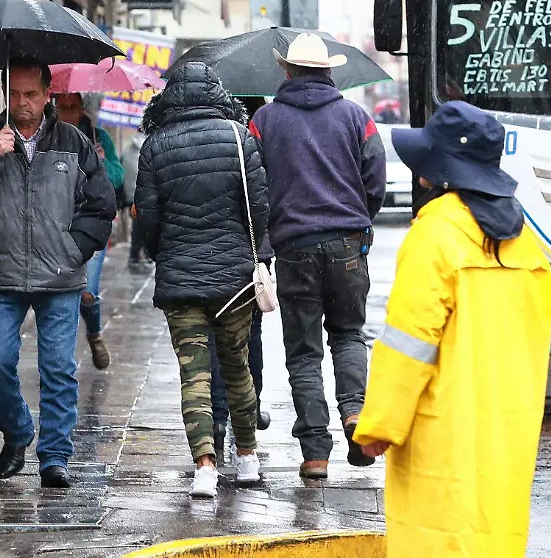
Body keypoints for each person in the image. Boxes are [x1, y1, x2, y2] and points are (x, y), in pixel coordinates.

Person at [353, 101, 551, 556]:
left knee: (437, 536)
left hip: (442, 429)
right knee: (494, 534)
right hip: (507, 429)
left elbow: (409, 342)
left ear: (440, 170)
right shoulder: (525, 245)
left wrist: (380, 426)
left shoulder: (436, 236)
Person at [0, 59, 116, 489]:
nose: (23, 104)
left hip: (59, 277)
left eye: (31, 95)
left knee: (58, 368)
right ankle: (18, 431)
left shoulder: (73, 143)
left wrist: (73, 250)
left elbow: (100, 205)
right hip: (2, 276)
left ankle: (55, 456)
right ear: (6, 94)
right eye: (15, 94)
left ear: (47, 95)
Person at [248, 33, 386, 478]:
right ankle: (355, 415)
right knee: (347, 336)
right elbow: (375, 178)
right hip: (347, 244)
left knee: (303, 352)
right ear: (329, 71)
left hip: (294, 249)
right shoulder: (355, 116)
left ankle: (314, 453)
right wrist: (357, 215)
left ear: (286, 71)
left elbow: (255, 186)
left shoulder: (264, 121)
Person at [135, 62, 268, 499]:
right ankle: (247, 458)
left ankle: (205, 468)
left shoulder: (155, 145)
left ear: (171, 96)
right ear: (217, 93)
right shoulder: (239, 136)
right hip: (234, 279)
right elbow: (259, 207)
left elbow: (147, 217)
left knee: (194, 375)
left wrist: (163, 254)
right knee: (237, 368)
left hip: (181, 279)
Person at [208, 96, 272, 455]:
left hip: (216, 250)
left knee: (218, 335)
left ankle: (218, 415)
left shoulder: (218, 136)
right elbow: (264, 198)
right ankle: (249, 407)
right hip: (251, 249)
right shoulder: (256, 134)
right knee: (251, 335)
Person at [55, 92, 123, 371]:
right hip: (59, 226)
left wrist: (101, 161)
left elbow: (117, 178)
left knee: (87, 293)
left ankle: (94, 334)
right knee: (63, 294)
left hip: (90, 225)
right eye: (62, 108)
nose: (68, 114)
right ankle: (62, 358)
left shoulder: (99, 136)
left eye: (73, 108)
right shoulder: (50, 136)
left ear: (81, 108)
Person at [120, 130, 150, 272]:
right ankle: (139, 255)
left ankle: (136, 255)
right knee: (143, 227)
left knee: (138, 227)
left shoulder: (128, 151)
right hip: (144, 196)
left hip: (131, 196)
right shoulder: (149, 149)